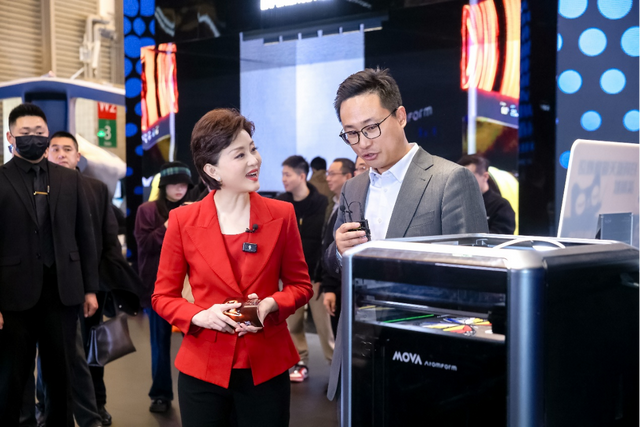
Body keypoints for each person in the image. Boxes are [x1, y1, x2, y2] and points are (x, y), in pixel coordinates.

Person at [325, 68, 488, 401]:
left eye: (371, 128)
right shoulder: (354, 187)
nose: (362, 143)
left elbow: (474, 282)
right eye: (351, 133)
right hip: (359, 351)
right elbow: (333, 261)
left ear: (400, 116)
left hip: (425, 356)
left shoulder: (449, 180)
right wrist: (339, 251)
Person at [151, 108, 313, 427]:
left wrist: (271, 304)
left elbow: (301, 286)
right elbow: (162, 296)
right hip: (203, 370)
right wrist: (200, 315)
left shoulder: (282, 215)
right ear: (212, 169)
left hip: (266, 367)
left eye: (253, 149)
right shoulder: (183, 220)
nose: (254, 161)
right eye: (240, 155)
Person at [0, 103, 99, 426]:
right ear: (10, 137)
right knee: (11, 380)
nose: (34, 138)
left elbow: (84, 236)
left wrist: (90, 289)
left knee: (61, 377)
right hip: (13, 297)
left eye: (39, 132)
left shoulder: (69, 180)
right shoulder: (1, 178)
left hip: (62, 292)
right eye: (25, 133)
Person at [42, 131, 141, 426]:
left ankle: (97, 404)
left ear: (78, 156)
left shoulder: (95, 188)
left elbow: (107, 240)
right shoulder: (36, 188)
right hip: (48, 287)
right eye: (55, 149)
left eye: (67, 149)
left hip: (89, 286)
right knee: (47, 351)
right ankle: (45, 406)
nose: (61, 154)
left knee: (93, 349)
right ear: (46, 154)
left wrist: (99, 286)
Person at [134, 160, 194, 413]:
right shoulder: (147, 210)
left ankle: (198, 393)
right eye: (174, 184)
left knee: (195, 343)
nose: (180, 189)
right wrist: (170, 223)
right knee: (159, 344)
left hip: (191, 288)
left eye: (184, 184)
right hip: (157, 287)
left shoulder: (194, 208)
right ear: (164, 186)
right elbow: (144, 244)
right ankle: (160, 394)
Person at [277, 156, 333, 382]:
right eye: (282, 174)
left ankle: (336, 366)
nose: (283, 179)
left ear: (302, 176)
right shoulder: (281, 202)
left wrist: (321, 274)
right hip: (290, 277)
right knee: (293, 323)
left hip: (315, 275)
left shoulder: (322, 203)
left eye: (287, 174)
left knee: (324, 325)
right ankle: (300, 361)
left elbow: (324, 241)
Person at [319, 158, 355, 337]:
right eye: (328, 173)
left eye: (332, 174)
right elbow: (329, 246)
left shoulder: (353, 208)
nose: (328, 178)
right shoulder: (332, 205)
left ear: (347, 176)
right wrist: (329, 287)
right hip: (337, 283)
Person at [457, 154, 516, 234]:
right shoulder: (457, 205)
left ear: (485, 176)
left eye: (468, 177)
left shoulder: (501, 206)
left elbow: (499, 238)